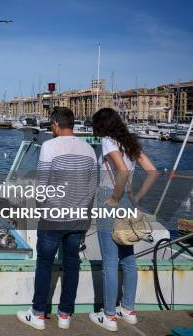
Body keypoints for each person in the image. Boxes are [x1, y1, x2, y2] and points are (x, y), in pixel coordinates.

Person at [17, 107, 98, 331]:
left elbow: (42, 185)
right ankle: (65, 315)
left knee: (44, 263)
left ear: (54, 124)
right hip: (78, 218)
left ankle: (38, 314)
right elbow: (92, 188)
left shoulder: (49, 146)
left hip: (53, 217)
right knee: (72, 264)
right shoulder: (90, 150)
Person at [88, 108, 157, 331]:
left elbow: (123, 171)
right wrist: (136, 197)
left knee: (109, 260)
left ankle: (109, 316)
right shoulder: (129, 143)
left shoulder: (108, 142)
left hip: (110, 200)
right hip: (128, 202)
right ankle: (128, 310)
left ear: (102, 125)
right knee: (128, 257)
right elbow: (153, 172)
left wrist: (115, 198)